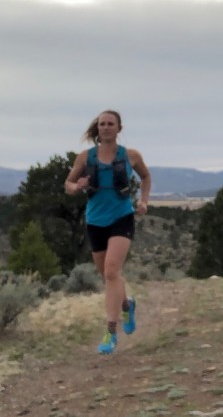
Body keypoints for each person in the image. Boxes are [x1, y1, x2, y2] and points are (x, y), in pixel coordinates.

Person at [64, 109, 151, 355]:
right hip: (95, 220)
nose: (105, 127)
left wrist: (143, 201)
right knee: (107, 276)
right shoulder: (85, 157)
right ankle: (127, 305)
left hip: (122, 217)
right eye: (102, 124)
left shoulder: (130, 156)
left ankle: (110, 332)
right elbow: (68, 185)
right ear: (97, 128)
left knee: (112, 271)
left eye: (110, 123)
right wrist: (76, 185)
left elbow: (145, 177)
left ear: (118, 128)